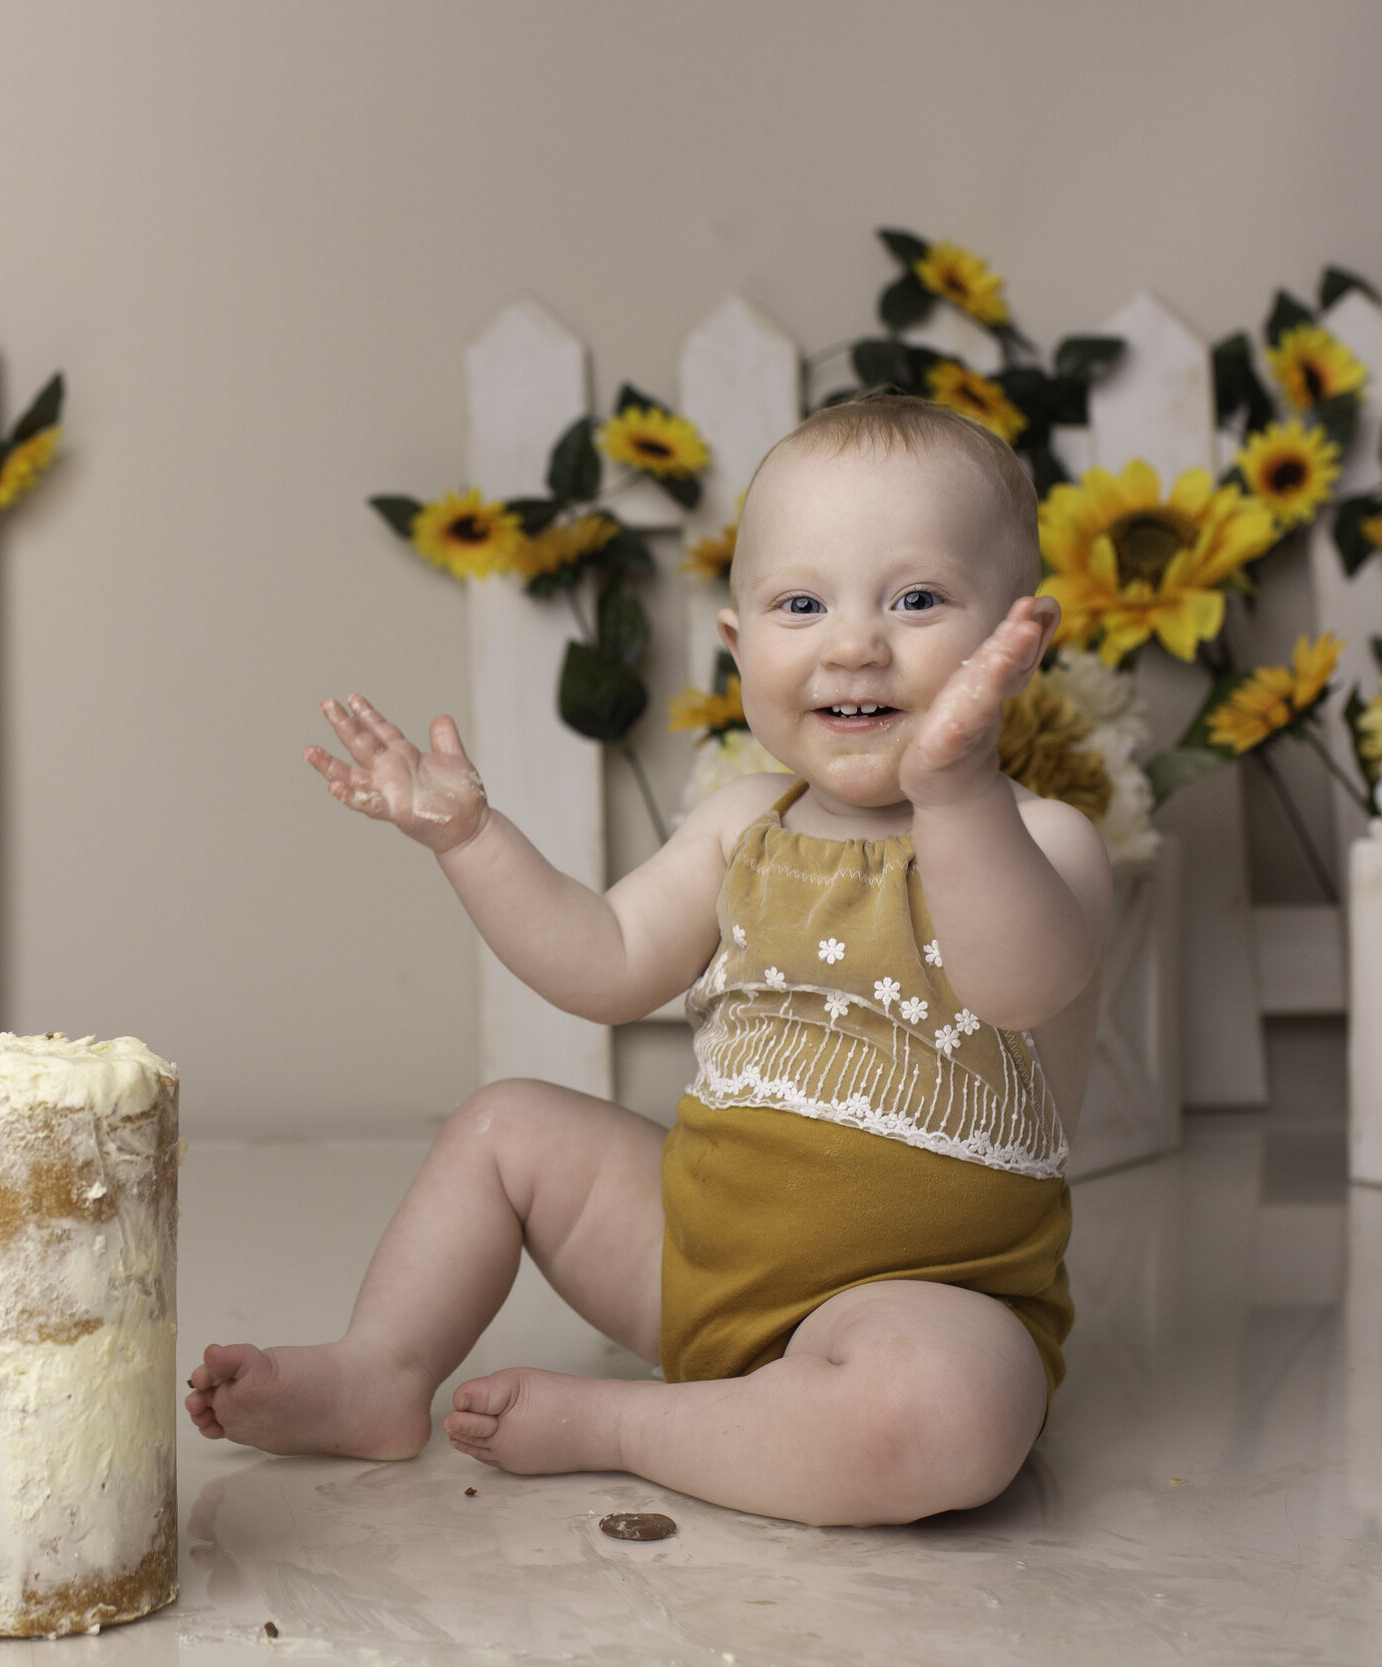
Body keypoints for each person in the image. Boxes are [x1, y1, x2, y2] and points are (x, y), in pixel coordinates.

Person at [186, 395, 1110, 1525]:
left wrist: (957, 787)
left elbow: (1013, 980)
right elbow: (603, 960)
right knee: (505, 1126)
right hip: (687, 1254)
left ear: (1016, 642)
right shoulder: (739, 822)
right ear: (737, 649)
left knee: (944, 1413)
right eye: (801, 602)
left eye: (917, 599)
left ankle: (625, 1424)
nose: (855, 641)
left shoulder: (1045, 842)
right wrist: (471, 840)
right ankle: (379, 1367)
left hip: (918, 1303)